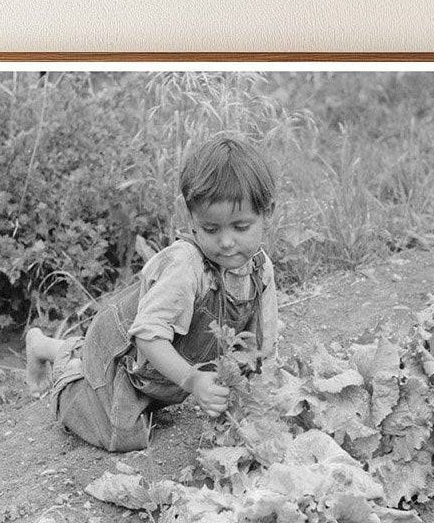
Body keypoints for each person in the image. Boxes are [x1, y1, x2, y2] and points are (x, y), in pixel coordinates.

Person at [25, 133, 280, 453]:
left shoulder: (259, 269)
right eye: (211, 229)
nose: (226, 242)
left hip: (157, 372)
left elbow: (263, 348)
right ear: (192, 221)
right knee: (121, 436)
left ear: (266, 213)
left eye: (240, 227)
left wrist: (263, 401)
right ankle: (65, 372)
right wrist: (191, 381)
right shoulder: (186, 266)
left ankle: (52, 346)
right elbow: (147, 336)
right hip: (123, 361)